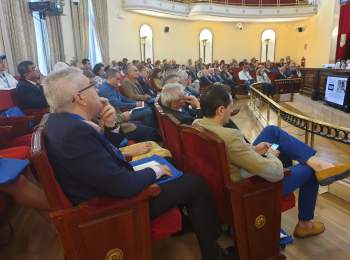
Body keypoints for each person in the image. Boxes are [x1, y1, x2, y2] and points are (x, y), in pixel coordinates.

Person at [42, 67, 233, 260]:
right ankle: (214, 254)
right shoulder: (74, 134)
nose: (97, 91)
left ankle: (186, 224)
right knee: (195, 184)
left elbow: (106, 157)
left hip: (109, 190)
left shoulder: (63, 123)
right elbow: (122, 185)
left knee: (174, 170)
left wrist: (110, 126)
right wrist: (155, 170)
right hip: (115, 209)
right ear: (80, 98)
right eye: (92, 86)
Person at [193, 85, 350, 238]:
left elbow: (233, 153)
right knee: (308, 171)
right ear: (221, 110)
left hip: (235, 167)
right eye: (230, 107)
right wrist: (271, 155)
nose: (231, 111)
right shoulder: (230, 137)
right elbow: (275, 174)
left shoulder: (197, 124)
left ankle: (318, 163)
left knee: (272, 131)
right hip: (248, 187)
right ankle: (305, 225)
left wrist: (253, 150)